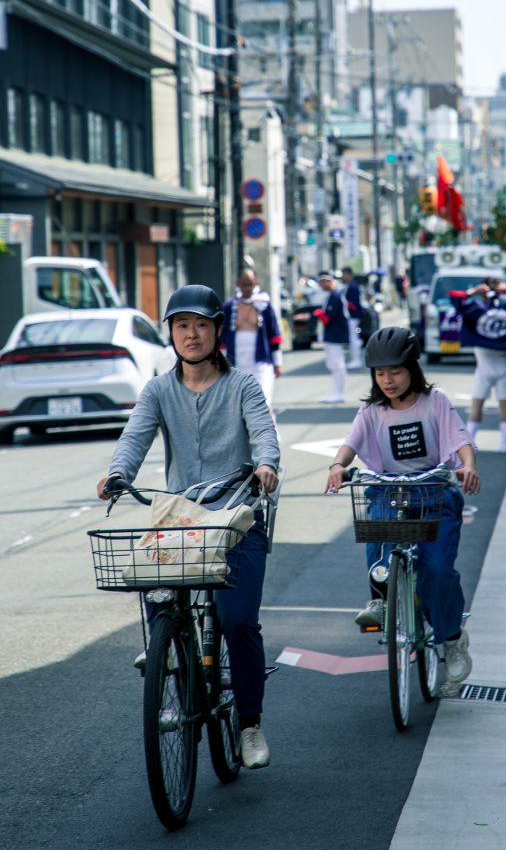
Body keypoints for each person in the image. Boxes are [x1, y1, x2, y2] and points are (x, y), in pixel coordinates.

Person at [96, 284, 280, 770]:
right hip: (182, 518)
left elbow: (263, 431)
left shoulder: (243, 385)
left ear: (218, 330)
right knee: (148, 574)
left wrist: (265, 465)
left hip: (237, 516)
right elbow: (134, 436)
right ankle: (166, 646)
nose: (191, 335)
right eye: (181, 326)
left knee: (238, 621)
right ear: (172, 335)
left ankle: (249, 725)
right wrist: (119, 474)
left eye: (201, 324)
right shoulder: (157, 389)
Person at [324, 327, 481, 697]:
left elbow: (461, 440)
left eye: (395, 371)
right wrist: (336, 465)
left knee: (437, 569)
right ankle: (381, 598)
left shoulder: (434, 401)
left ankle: (453, 638)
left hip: (432, 491)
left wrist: (468, 465)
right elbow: (351, 443)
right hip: (390, 490)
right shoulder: (372, 410)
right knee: (378, 538)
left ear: (412, 368)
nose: (387, 380)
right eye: (380, 373)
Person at [457, 279, 506, 453]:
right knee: (503, 406)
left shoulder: (477, 310)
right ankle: (504, 444)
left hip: (485, 366)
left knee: (477, 406)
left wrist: (473, 292)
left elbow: (456, 300)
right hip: (503, 365)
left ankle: (471, 444)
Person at [220, 267, 284, 413]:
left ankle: (270, 434)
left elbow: (274, 336)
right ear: (238, 284)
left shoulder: (264, 305)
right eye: (244, 284)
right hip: (236, 363)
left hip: (261, 362)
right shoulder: (229, 307)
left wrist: (278, 363)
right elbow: (221, 338)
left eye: (250, 284)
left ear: (256, 283)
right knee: (240, 407)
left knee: (263, 401)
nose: (247, 288)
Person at [315, 270, 349, 403]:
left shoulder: (335, 296)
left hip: (335, 335)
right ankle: (336, 392)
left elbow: (328, 318)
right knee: (333, 364)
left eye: (323, 282)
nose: (321, 285)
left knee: (337, 364)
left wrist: (318, 314)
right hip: (332, 335)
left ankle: (338, 394)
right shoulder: (331, 295)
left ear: (329, 281)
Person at [339, 265, 364, 369]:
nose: (343, 277)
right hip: (350, 316)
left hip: (353, 315)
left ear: (349, 275)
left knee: (354, 339)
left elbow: (354, 303)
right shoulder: (348, 285)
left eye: (344, 275)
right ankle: (354, 359)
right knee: (352, 339)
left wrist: (343, 302)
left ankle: (356, 360)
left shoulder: (353, 286)